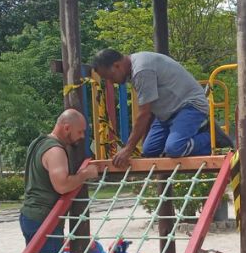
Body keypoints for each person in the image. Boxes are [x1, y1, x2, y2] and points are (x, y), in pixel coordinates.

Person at [13, 109, 99, 253]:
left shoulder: (38, 143)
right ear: (66, 127)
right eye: (80, 131)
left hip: (29, 215)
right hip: (45, 219)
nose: (82, 137)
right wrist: (85, 174)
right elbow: (62, 185)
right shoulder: (55, 150)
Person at [92, 49, 232, 169]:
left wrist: (128, 149)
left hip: (189, 106)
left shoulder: (141, 70)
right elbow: (150, 109)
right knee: (150, 151)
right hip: (166, 114)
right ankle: (188, 135)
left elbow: (144, 113)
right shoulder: (133, 69)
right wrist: (145, 143)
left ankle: (211, 137)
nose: (111, 81)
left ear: (117, 65)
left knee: (175, 149)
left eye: (109, 77)